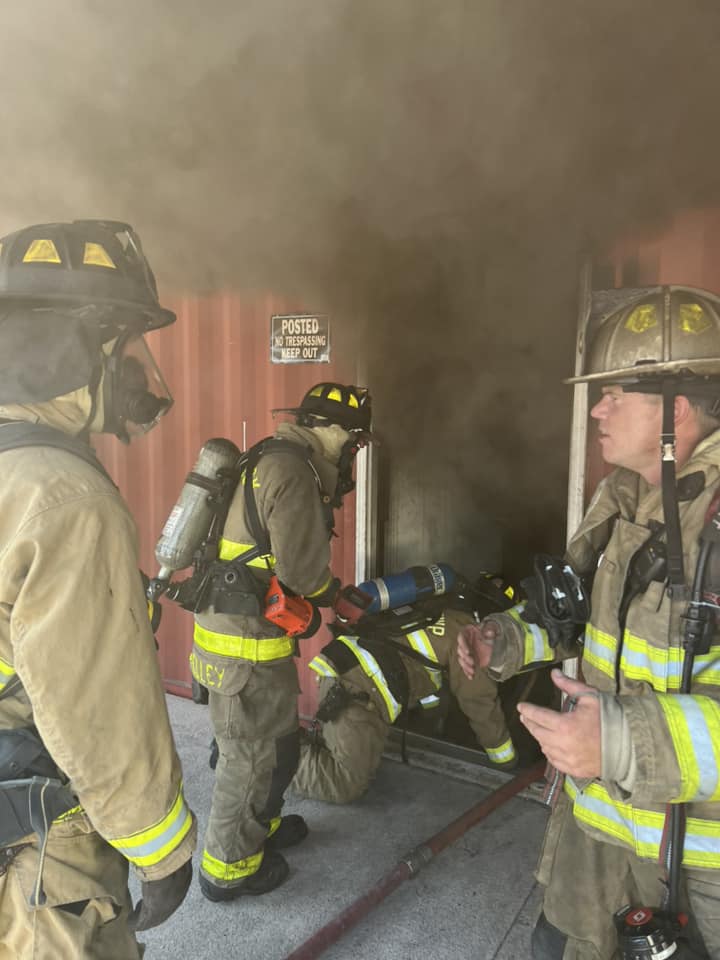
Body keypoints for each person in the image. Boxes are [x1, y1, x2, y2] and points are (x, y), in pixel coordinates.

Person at [458, 285, 720, 959]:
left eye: (615, 395)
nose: (597, 410)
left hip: (694, 869)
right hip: (594, 841)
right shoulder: (621, 497)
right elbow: (572, 616)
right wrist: (503, 639)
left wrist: (622, 743)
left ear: (675, 408)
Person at [0, 220, 196, 958]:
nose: (138, 372)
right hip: (34, 858)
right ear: (74, 347)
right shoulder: (63, 495)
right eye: (125, 346)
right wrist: (161, 847)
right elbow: (95, 703)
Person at [189, 381, 372, 901]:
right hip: (245, 651)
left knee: (276, 750)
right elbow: (303, 576)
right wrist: (334, 595)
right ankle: (227, 871)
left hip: (237, 639)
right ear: (329, 428)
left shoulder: (269, 457)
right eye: (353, 439)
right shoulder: (293, 473)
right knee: (249, 760)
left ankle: (259, 830)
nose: (353, 451)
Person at [291, 572, 518, 804]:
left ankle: (289, 744)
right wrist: (505, 758)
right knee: (344, 784)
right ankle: (275, 758)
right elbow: (478, 701)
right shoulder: (471, 637)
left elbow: (424, 677)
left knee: (358, 761)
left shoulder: (439, 606)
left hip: (350, 671)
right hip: (357, 689)